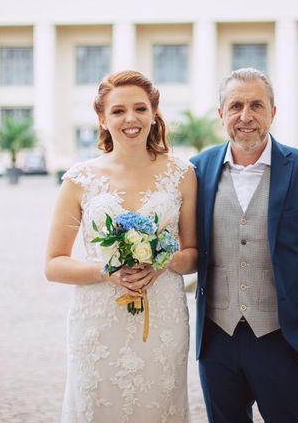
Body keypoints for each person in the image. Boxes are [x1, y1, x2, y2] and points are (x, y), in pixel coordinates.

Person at [191, 68, 298, 422]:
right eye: (235, 106)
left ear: (272, 113)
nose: (245, 117)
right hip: (217, 337)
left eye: (256, 106)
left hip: (283, 338)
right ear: (221, 114)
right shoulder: (196, 171)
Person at [45, 70, 198, 423]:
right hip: (97, 323)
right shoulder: (79, 179)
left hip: (161, 318)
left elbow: (193, 255)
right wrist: (106, 271)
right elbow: (53, 264)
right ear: (102, 118)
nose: (131, 119)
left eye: (140, 108)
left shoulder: (181, 174)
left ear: (153, 113)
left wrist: (163, 262)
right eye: (118, 111)